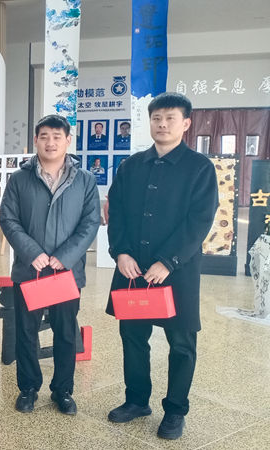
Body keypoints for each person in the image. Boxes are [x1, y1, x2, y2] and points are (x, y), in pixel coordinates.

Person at [106, 92, 218, 440]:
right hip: (133, 269)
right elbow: (116, 213)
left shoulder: (199, 168)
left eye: (170, 118)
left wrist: (168, 261)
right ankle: (137, 400)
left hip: (177, 272)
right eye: (157, 118)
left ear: (186, 124)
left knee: (181, 342)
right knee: (132, 336)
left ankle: (175, 410)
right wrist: (121, 253)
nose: (162, 124)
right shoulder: (131, 166)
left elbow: (199, 221)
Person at [0, 114, 100, 416]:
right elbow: (8, 219)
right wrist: (32, 252)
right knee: (26, 332)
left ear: (68, 140)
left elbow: (90, 223)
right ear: (36, 140)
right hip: (29, 270)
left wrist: (65, 256)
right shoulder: (19, 179)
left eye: (57, 137)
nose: (51, 142)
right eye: (44, 136)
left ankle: (63, 390)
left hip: (66, 273)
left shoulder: (85, 180)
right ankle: (28, 388)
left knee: (66, 333)